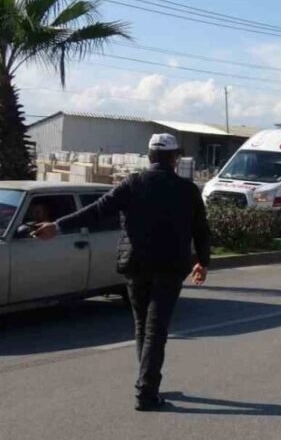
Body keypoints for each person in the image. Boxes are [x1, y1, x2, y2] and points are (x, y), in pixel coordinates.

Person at [32, 134, 210, 411]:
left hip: (136, 265)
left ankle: (146, 384)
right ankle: (146, 391)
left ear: (150, 156)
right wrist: (203, 261)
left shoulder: (133, 184)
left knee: (143, 328)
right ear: (175, 159)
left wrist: (58, 226)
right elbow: (201, 228)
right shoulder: (187, 190)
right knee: (155, 331)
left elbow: (96, 211)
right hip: (170, 268)